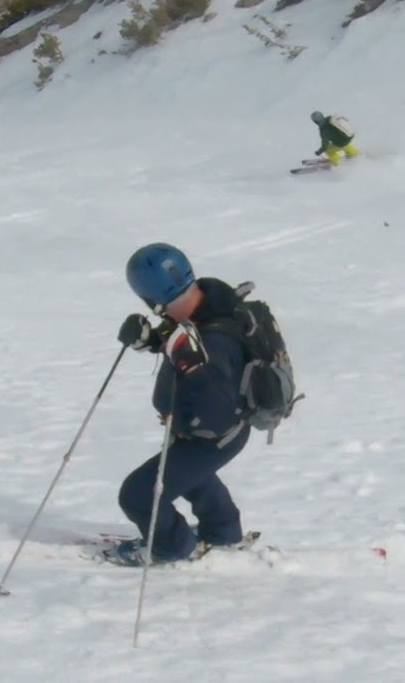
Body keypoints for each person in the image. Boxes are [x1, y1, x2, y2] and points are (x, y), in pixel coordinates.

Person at [112, 242, 253, 565]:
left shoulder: (212, 342)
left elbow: (215, 410)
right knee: (193, 477)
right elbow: (185, 338)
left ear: (150, 298)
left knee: (138, 494)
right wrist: (154, 341)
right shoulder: (208, 304)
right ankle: (223, 532)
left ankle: (170, 548)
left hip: (214, 436)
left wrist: (193, 372)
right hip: (214, 433)